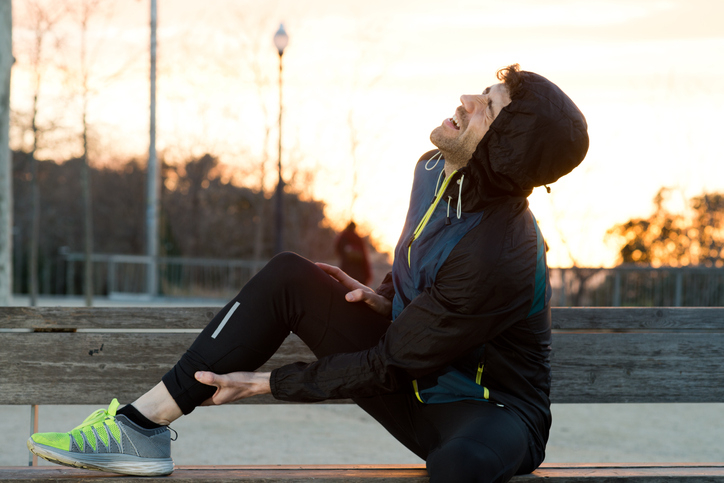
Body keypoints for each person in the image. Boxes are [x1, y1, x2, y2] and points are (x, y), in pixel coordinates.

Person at [27, 64, 588, 483]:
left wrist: (269, 383)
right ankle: (139, 427)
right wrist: (383, 296)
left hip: (491, 414)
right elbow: (417, 264)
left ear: (503, 147)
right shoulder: (435, 168)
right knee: (292, 275)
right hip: (416, 384)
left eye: (486, 105)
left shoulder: (501, 251)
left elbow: (389, 363)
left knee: (460, 465)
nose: (466, 99)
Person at [334, 220, 372, 285]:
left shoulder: (343, 237)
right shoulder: (357, 239)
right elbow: (364, 257)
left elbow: (338, 250)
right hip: (358, 273)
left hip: (347, 270)